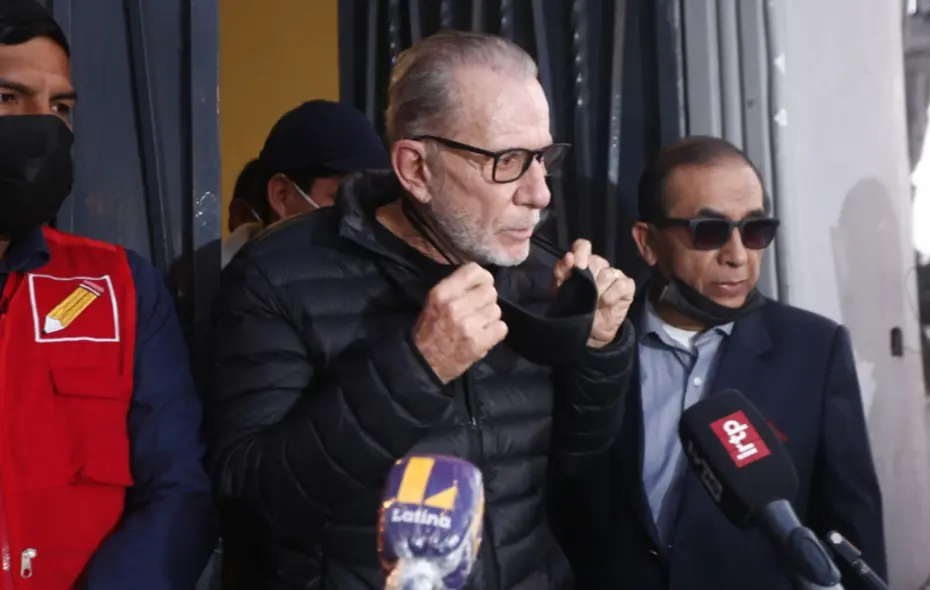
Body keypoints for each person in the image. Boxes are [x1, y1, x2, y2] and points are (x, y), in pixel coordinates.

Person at [207, 29, 635, 590]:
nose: (540, 193)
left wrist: (598, 348)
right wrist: (417, 364)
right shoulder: (279, 273)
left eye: (542, 157)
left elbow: (574, 463)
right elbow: (250, 494)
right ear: (415, 168)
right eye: (507, 160)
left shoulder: (538, 274)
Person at [557, 136, 887, 589]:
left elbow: (851, 532)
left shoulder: (814, 349)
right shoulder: (592, 344)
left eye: (755, 231)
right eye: (709, 232)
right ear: (648, 242)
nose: (737, 255)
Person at [0, 2, 216, 589]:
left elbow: (178, 491)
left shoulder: (121, 288)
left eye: (60, 107)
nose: (42, 127)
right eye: (7, 98)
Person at [221, 99, 390, 267]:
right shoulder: (219, 288)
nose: (362, 217)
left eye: (370, 198)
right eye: (345, 197)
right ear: (282, 196)